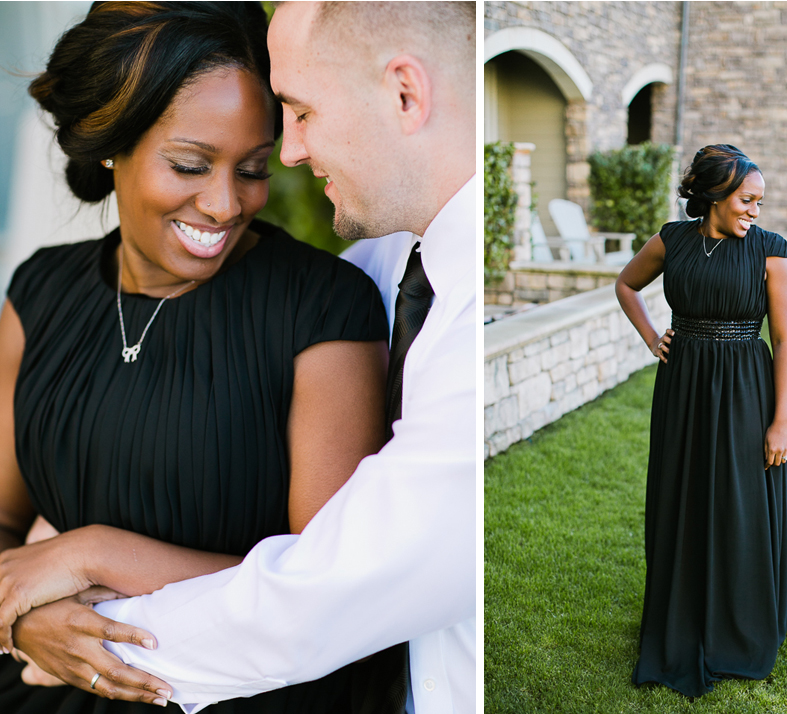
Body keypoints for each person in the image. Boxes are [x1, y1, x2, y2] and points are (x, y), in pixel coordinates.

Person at [1, 3, 476, 714]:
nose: (225, 204)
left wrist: (89, 560)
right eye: (190, 164)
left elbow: (331, 594)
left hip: (240, 693)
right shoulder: (39, 290)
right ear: (110, 144)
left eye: (253, 167)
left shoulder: (326, 305)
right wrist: (23, 621)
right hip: (41, 682)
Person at [615, 145, 787, 697]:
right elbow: (625, 284)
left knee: (737, 500)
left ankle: (738, 620)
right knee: (682, 494)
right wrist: (653, 337)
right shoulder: (673, 240)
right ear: (713, 197)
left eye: (760, 201)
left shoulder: (772, 251)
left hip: (746, 391)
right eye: (747, 200)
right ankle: (682, 611)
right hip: (682, 388)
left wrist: (782, 421)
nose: (755, 210)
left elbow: (785, 340)